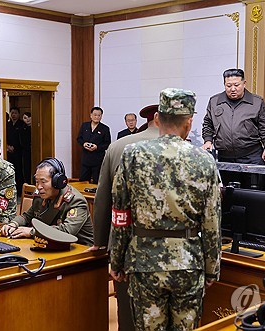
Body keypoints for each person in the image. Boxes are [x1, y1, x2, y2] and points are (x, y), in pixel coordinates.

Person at [110, 88, 221, 330]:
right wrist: (212, 269)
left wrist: (116, 260)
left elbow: (120, 214)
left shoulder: (133, 155)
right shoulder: (204, 160)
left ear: (157, 118)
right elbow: (212, 221)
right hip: (188, 263)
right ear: (189, 122)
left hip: (144, 263)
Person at [88, 104, 159, 331]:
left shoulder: (118, 146)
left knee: (127, 314)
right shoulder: (183, 149)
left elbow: (102, 199)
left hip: (126, 245)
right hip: (172, 252)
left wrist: (99, 241)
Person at [202, 68, 265, 188]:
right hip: (225, 157)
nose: (233, 89)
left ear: (244, 83)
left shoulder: (256, 102)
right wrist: (208, 141)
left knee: (254, 195)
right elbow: (208, 123)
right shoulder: (215, 101)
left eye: (236, 85)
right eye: (228, 85)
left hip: (251, 156)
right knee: (228, 195)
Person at [0, 157, 93, 246]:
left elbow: (66, 232)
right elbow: (27, 216)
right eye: (36, 181)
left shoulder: (75, 201)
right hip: (51, 245)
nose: (39, 187)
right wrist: (13, 224)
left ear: (58, 181)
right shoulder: (41, 196)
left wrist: (32, 232)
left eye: (43, 182)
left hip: (80, 250)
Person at [76, 106, 111, 184]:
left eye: (99, 115)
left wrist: (97, 147)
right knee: (83, 180)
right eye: (95, 115)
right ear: (91, 115)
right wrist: (84, 144)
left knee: (97, 181)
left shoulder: (105, 128)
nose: (97, 117)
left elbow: (107, 144)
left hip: (98, 160)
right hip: (85, 158)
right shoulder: (84, 125)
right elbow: (79, 138)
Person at [6, 107, 25, 195]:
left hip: (18, 152)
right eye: (12, 113)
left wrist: (15, 147)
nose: (13, 115)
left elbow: (22, 139)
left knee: (18, 171)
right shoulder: (7, 124)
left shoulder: (21, 124)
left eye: (15, 113)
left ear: (19, 114)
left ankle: (20, 191)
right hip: (8, 151)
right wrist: (7, 146)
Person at [20, 111, 32, 184]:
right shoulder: (22, 128)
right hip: (25, 151)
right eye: (25, 118)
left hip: (34, 150)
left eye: (29, 117)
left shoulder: (36, 126)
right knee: (26, 168)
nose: (27, 119)